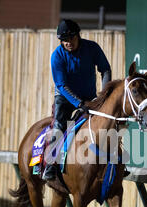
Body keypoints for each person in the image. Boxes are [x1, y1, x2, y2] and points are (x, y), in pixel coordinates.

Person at [43, 19, 112, 181]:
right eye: (64, 40)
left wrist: (104, 95)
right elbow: (61, 85)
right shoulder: (57, 57)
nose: (68, 43)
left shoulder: (92, 48)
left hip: (90, 97)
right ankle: (51, 165)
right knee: (60, 125)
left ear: (78, 35)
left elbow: (105, 69)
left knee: (107, 122)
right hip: (65, 98)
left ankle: (116, 162)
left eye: (71, 38)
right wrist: (79, 104)